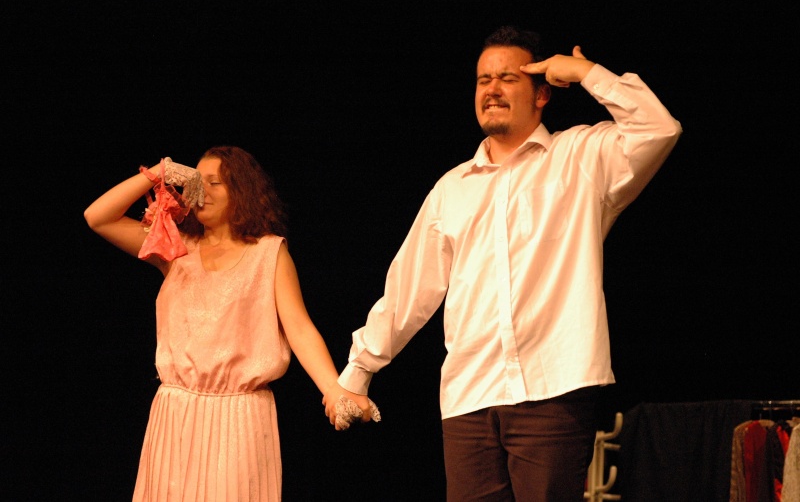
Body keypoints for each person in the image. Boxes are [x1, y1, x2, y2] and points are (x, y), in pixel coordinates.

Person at [335, 26, 682, 501]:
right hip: (468, 396)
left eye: (507, 78)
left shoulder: (580, 158)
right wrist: (359, 370)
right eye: (483, 80)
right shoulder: (452, 188)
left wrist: (585, 72)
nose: (492, 89)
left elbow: (658, 128)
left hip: (552, 389)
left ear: (542, 93)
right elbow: (409, 289)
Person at [84, 145, 378, 501]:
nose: (201, 190)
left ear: (241, 191)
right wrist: (159, 173)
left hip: (238, 417)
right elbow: (98, 217)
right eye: (196, 181)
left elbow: (299, 328)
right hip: (175, 413)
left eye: (215, 182)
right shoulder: (176, 249)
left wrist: (333, 388)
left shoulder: (268, 253)